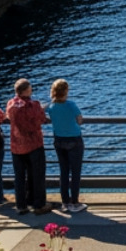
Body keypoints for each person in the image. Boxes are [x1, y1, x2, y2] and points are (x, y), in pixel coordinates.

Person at [6, 79, 51, 216]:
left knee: (19, 177)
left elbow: (10, 117)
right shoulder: (33, 105)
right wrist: (42, 110)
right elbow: (41, 119)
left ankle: (21, 205)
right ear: (26, 90)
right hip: (33, 145)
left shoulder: (11, 104)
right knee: (37, 175)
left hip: (16, 146)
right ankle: (39, 205)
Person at [44, 79, 86, 213]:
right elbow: (79, 120)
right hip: (74, 140)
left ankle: (65, 202)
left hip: (59, 140)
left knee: (63, 171)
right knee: (75, 172)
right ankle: (75, 202)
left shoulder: (51, 107)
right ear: (66, 91)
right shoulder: (71, 105)